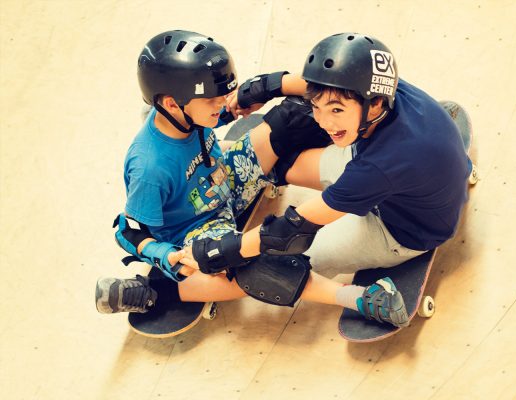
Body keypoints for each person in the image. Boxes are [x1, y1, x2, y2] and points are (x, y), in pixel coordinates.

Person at [95, 30, 410, 328]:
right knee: (256, 265)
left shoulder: (185, 112)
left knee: (295, 114)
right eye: (213, 101)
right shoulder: (149, 166)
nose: (222, 103)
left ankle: (380, 138)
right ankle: (359, 300)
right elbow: (129, 230)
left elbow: (247, 108)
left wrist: (257, 95)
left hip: (227, 179)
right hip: (197, 229)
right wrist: (165, 255)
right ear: (170, 103)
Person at [207, 31, 472, 280]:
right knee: (287, 148)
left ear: (375, 103)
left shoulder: (378, 166)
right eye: (318, 108)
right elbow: (321, 85)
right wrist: (265, 87)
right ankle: (260, 162)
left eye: (336, 111)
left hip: (400, 232)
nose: (323, 122)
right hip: (395, 175)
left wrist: (226, 248)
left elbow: (292, 226)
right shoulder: (382, 91)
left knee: (277, 267)